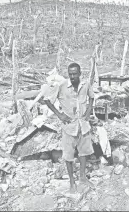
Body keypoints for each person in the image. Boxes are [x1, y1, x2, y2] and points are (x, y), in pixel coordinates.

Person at [43, 63, 95, 193]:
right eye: (70, 74)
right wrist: (60, 115)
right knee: (68, 156)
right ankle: (72, 182)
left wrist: (89, 110)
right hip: (69, 127)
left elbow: (92, 97)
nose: (72, 76)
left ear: (79, 73)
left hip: (83, 125)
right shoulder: (61, 86)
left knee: (84, 153)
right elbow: (47, 100)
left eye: (74, 74)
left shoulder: (85, 84)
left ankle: (82, 177)